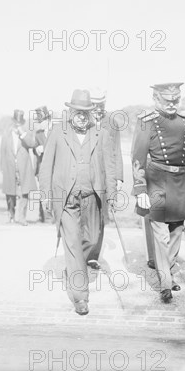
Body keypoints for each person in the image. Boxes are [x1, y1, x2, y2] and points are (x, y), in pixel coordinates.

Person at [39, 89, 117, 316]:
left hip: (92, 197)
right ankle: (80, 296)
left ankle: (75, 267)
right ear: (70, 111)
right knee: (72, 244)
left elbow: (109, 167)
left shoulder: (100, 133)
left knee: (92, 239)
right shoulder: (57, 132)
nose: (82, 116)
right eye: (78, 112)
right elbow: (46, 166)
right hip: (66, 198)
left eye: (86, 112)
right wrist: (45, 194)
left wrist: (111, 195)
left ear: (91, 113)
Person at [131, 83, 185, 303]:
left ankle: (169, 271)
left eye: (176, 100)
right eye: (167, 101)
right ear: (156, 100)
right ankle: (165, 282)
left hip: (180, 182)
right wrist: (140, 189)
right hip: (156, 182)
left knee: (176, 231)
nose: (173, 104)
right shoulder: (146, 123)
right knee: (161, 235)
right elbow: (138, 158)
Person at [89, 88, 124, 267]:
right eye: (93, 104)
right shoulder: (81, 121)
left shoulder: (112, 122)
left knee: (101, 217)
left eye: (100, 105)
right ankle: (82, 253)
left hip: (105, 177)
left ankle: (94, 255)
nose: (97, 108)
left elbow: (117, 151)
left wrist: (118, 178)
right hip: (85, 177)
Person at [0, 109, 38, 225]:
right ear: (13, 121)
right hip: (10, 165)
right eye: (16, 122)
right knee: (10, 192)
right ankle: (10, 215)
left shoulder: (27, 132)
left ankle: (22, 217)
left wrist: (23, 133)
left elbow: (32, 144)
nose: (17, 124)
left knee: (25, 192)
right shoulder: (7, 132)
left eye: (19, 123)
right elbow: (2, 150)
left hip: (24, 166)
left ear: (22, 123)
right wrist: (2, 166)